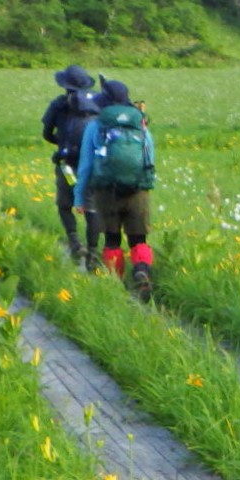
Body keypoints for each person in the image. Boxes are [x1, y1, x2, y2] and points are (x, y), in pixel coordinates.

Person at [72, 78, 157, 302]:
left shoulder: (96, 125)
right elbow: (150, 157)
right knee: (139, 239)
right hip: (137, 190)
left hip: (105, 192)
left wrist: (79, 197)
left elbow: (86, 166)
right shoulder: (140, 122)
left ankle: (117, 289)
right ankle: (142, 271)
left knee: (112, 240)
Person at [41, 65, 102, 268]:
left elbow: (47, 134)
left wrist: (61, 143)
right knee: (92, 208)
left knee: (65, 205)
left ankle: (75, 242)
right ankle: (93, 253)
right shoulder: (99, 104)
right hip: (92, 166)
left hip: (67, 165)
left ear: (65, 85)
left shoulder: (59, 105)